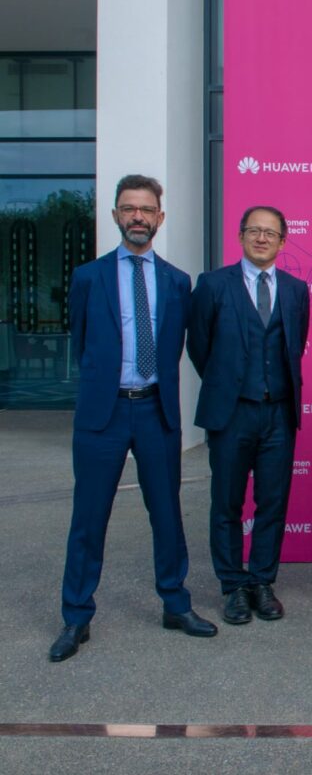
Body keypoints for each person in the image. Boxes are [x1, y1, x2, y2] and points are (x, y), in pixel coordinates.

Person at [50, 174, 216, 662]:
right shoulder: (88, 277)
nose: (137, 217)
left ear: (160, 217)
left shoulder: (177, 282)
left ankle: (176, 604)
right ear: (116, 215)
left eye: (146, 209)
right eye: (129, 208)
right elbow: (82, 342)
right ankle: (76, 616)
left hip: (155, 411)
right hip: (102, 415)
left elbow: (181, 345)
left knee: (166, 513)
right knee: (88, 518)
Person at [188, 206, 310, 625]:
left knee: (272, 502)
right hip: (231, 413)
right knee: (227, 502)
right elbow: (199, 347)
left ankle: (261, 581)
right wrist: (228, 386)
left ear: (282, 241)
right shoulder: (212, 285)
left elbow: (294, 344)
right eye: (254, 231)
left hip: (278, 413)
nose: (261, 238)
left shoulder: (296, 290)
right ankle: (232, 586)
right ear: (240, 236)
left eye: (270, 233)